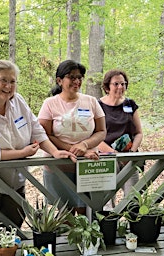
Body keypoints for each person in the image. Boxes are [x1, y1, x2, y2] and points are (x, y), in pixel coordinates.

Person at [0, 60, 76, 227]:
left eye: (13, 81)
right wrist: (22, 153)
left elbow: (36, 130)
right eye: (3, 80)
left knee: (12, 232)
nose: (8, 85)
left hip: (16, 184)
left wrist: (54, 152)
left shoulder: (19, 102)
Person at [38, 60, 106, 215]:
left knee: (87, 213)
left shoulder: (91, 101)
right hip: (58, 168)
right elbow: (45, 134)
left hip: (88, 166)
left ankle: (88, 241)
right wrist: (74, 149)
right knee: (65, 215)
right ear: (59, 80)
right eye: (71, 77)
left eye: (79, 77)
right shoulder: (50, 104)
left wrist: (85, 145)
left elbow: (102, 131)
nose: (77, 81)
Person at [97, 69, 143, 198]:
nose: (120, 87)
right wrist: (115, 154)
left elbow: (138, 132)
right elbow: (93, 136)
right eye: (116, 84)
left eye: (123, 84)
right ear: (107, 87)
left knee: (133, 198)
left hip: (129, 157)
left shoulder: (130, 104)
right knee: (106, 201)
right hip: (106, 157)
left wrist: (132, 153)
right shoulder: (97, 105)